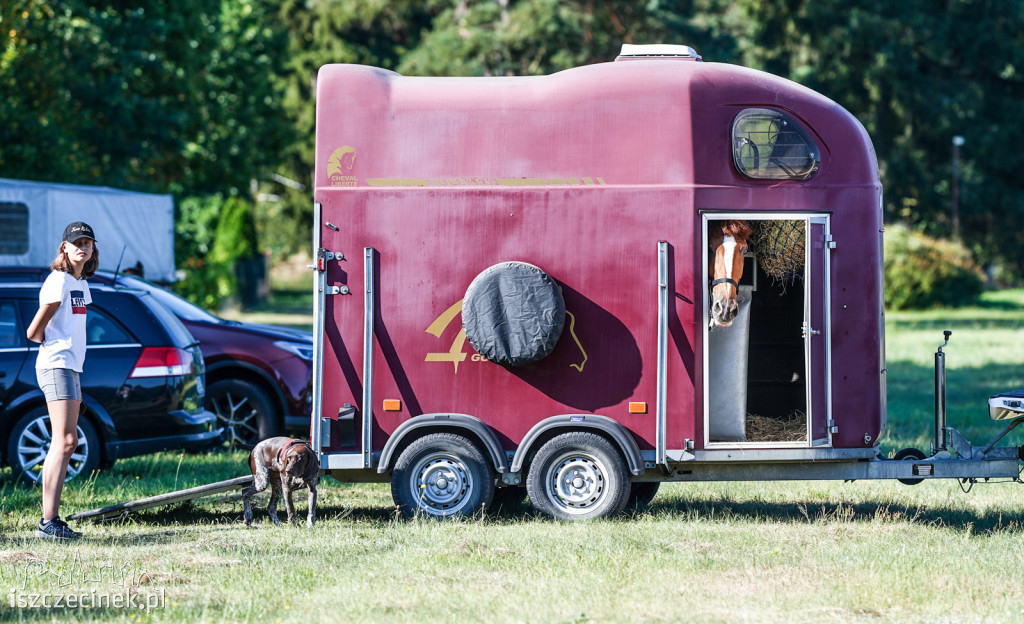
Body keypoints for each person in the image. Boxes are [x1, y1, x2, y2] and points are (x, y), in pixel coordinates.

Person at [25, 221, 99, 540]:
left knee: (70, 443)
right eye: (76, 241)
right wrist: (56, 345)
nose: (82, 246)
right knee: (65, 441)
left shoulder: (80, 284)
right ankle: (48, 522)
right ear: (64, 248)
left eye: (88, 241)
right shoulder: (59, 282)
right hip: (57, 364)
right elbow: (33, 332)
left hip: (71, 366)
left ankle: (51, 521)